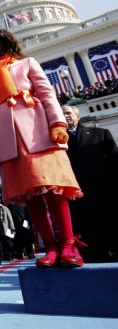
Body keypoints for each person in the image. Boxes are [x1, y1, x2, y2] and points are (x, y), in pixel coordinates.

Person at [0, 29, 84, 269]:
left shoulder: (27, 64)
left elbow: (47, 94)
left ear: (4, 43)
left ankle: (68, 244)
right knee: (31, 198)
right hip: (9, 143)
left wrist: (58, 123)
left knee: (54, 191)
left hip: (38, 134)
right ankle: (51, 247)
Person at [62, 105, 118, 262]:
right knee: (85, 228)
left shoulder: (100, 134)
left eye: (68, 113)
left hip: (103, 191)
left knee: (108, 224)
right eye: (62, 114)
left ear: (78, 116)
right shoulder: (58, 143)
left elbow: (114, 163)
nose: (65, 116)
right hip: (77, 194)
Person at [0, 196, 15, 261]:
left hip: (5, 228)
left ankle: (9, 256)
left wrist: (12, 228)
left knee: (8, 242)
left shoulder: (5, 208)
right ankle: (1, 257)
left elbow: (10, 218)